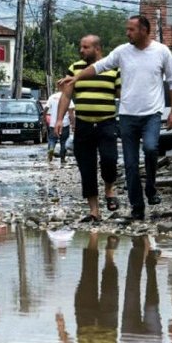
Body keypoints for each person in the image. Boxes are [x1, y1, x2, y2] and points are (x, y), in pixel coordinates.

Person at [60, 16, 172, 221]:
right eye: (127, 29)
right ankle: (137, 207)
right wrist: (77, 77)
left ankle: (150, 189)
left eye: (131, 30)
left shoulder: (161, 51)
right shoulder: (122, 52)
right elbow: (99, 66)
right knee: (131, 164)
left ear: (144, 30)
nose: (127, 33)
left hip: (152, 113)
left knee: (151, 148)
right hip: (126, 116)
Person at [55, 35, 121, 223]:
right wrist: (59, 119)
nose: (81, 51)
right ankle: (94, 211)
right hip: (83, 124)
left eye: (85, 47)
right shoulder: (74, 69)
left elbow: (122, 94)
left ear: (97, 49)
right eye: (80, 47)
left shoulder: (113, 69)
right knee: (86, 167)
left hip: (107, 123)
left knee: (110, 159)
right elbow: (66, 96)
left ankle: (109, 190)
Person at [45, 85, 75, 163]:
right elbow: (71, 113)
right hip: (65, 123)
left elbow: (46, 109)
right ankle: (62, 158)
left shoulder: (52, 97)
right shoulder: (67, 98)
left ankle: (51, 149)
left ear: (58, 88)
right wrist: (73, 124)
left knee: (52, 139)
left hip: (53, 124)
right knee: (63, 141)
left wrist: (44, 118)